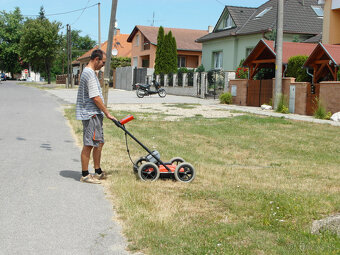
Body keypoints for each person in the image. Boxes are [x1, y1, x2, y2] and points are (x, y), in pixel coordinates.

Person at [76, 49, 117, 184]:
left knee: (99, 142)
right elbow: (95, 97)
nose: (103, 65)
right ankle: (85, 175)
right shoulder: (88, 73)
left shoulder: (90, 73)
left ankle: (97, 171)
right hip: (91, 114)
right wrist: (107, 112)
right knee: (89, 144)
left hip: (94, 114)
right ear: (96, 59)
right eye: (103, 62)